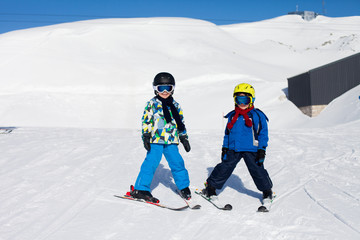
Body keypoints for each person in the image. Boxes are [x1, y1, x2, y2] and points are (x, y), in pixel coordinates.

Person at [202, 83, 273, 203]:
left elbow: (263, 134)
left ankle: (267, 191)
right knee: (224, 167)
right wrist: (225, 148)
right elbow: (227, 133)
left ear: (251, 100)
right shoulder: (233, 115)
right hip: (233, 148)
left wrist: (262, 149)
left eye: (245, 99)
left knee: (257, 170)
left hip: (251, 149)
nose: (242, 103)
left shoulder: (257, 115)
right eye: (238, 99)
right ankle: (210, 187)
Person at [130, 72, 192, 203]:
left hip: (171, 141)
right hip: (155, 140)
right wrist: (146, 135)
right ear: (155, 89)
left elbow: (180, 122)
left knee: (177, 163)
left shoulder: (176, 105)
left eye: (168, 88)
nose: (164, 92)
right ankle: (141, 189)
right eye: (160, 88)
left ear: (172, 89)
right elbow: (146, 121)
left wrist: (184, 137)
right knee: (151, 163)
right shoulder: (151, 104)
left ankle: (183, 187)